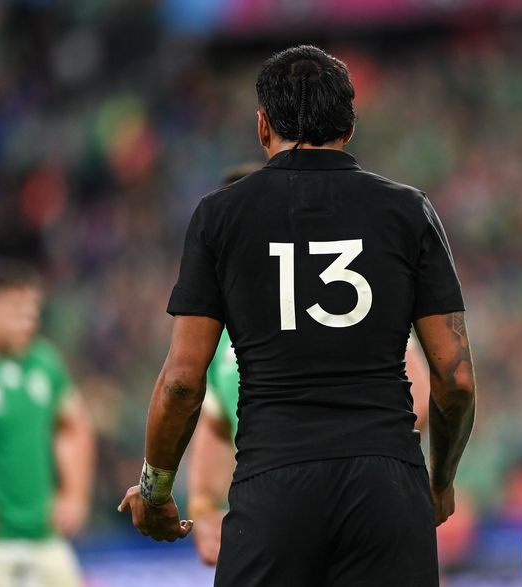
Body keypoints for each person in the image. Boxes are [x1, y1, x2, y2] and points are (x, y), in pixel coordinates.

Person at [118, 45, 476, 587]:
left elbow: (182, 384)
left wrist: (155, 489)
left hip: (275, 488)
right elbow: (455, 378)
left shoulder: (221, 215)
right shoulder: (408, 210)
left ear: (263, 126)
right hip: (386, 484)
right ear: (349, 125)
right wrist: (440, 479)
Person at [185, 165, 435, 567]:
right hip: (275, 503)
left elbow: (420, 397)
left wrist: (342, 461)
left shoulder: (341, 299)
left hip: (354, 495)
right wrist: (202, 508)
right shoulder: (225, 337)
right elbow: (215, 424)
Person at [0, 258, 95, 587]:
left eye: (33, 311)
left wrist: (75, 494)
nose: (29, 321)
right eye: (17, 311)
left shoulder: (43, 361)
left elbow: (75, 425)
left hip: (43, 538)